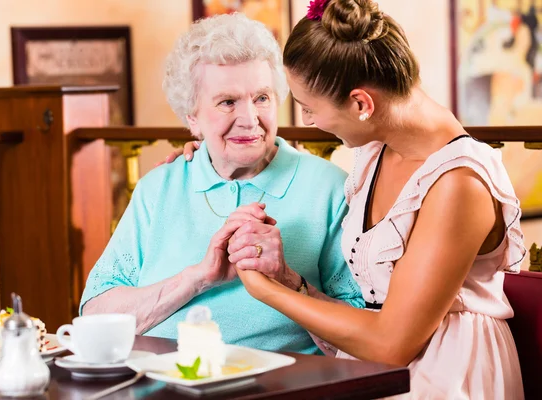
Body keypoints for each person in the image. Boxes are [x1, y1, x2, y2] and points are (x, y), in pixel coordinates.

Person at [172, 0, 526, 397]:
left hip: (450, 373)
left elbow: (393, 344)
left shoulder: (459, 185)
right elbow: (377, 321)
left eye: (309, 108)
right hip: (376, 366)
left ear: (361, 104)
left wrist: (266, 290)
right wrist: (290, 281)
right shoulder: (378, 150)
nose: (308, 123)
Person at [79, 12, 364, 355]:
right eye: (228, 102)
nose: (250, 119)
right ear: (192, 118)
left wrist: (287, 280)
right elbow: (95, 316)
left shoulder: (329, 188)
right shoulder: (158, 188)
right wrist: (199, 277)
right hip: (161, 384)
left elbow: (364, 335)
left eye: (262, 98)